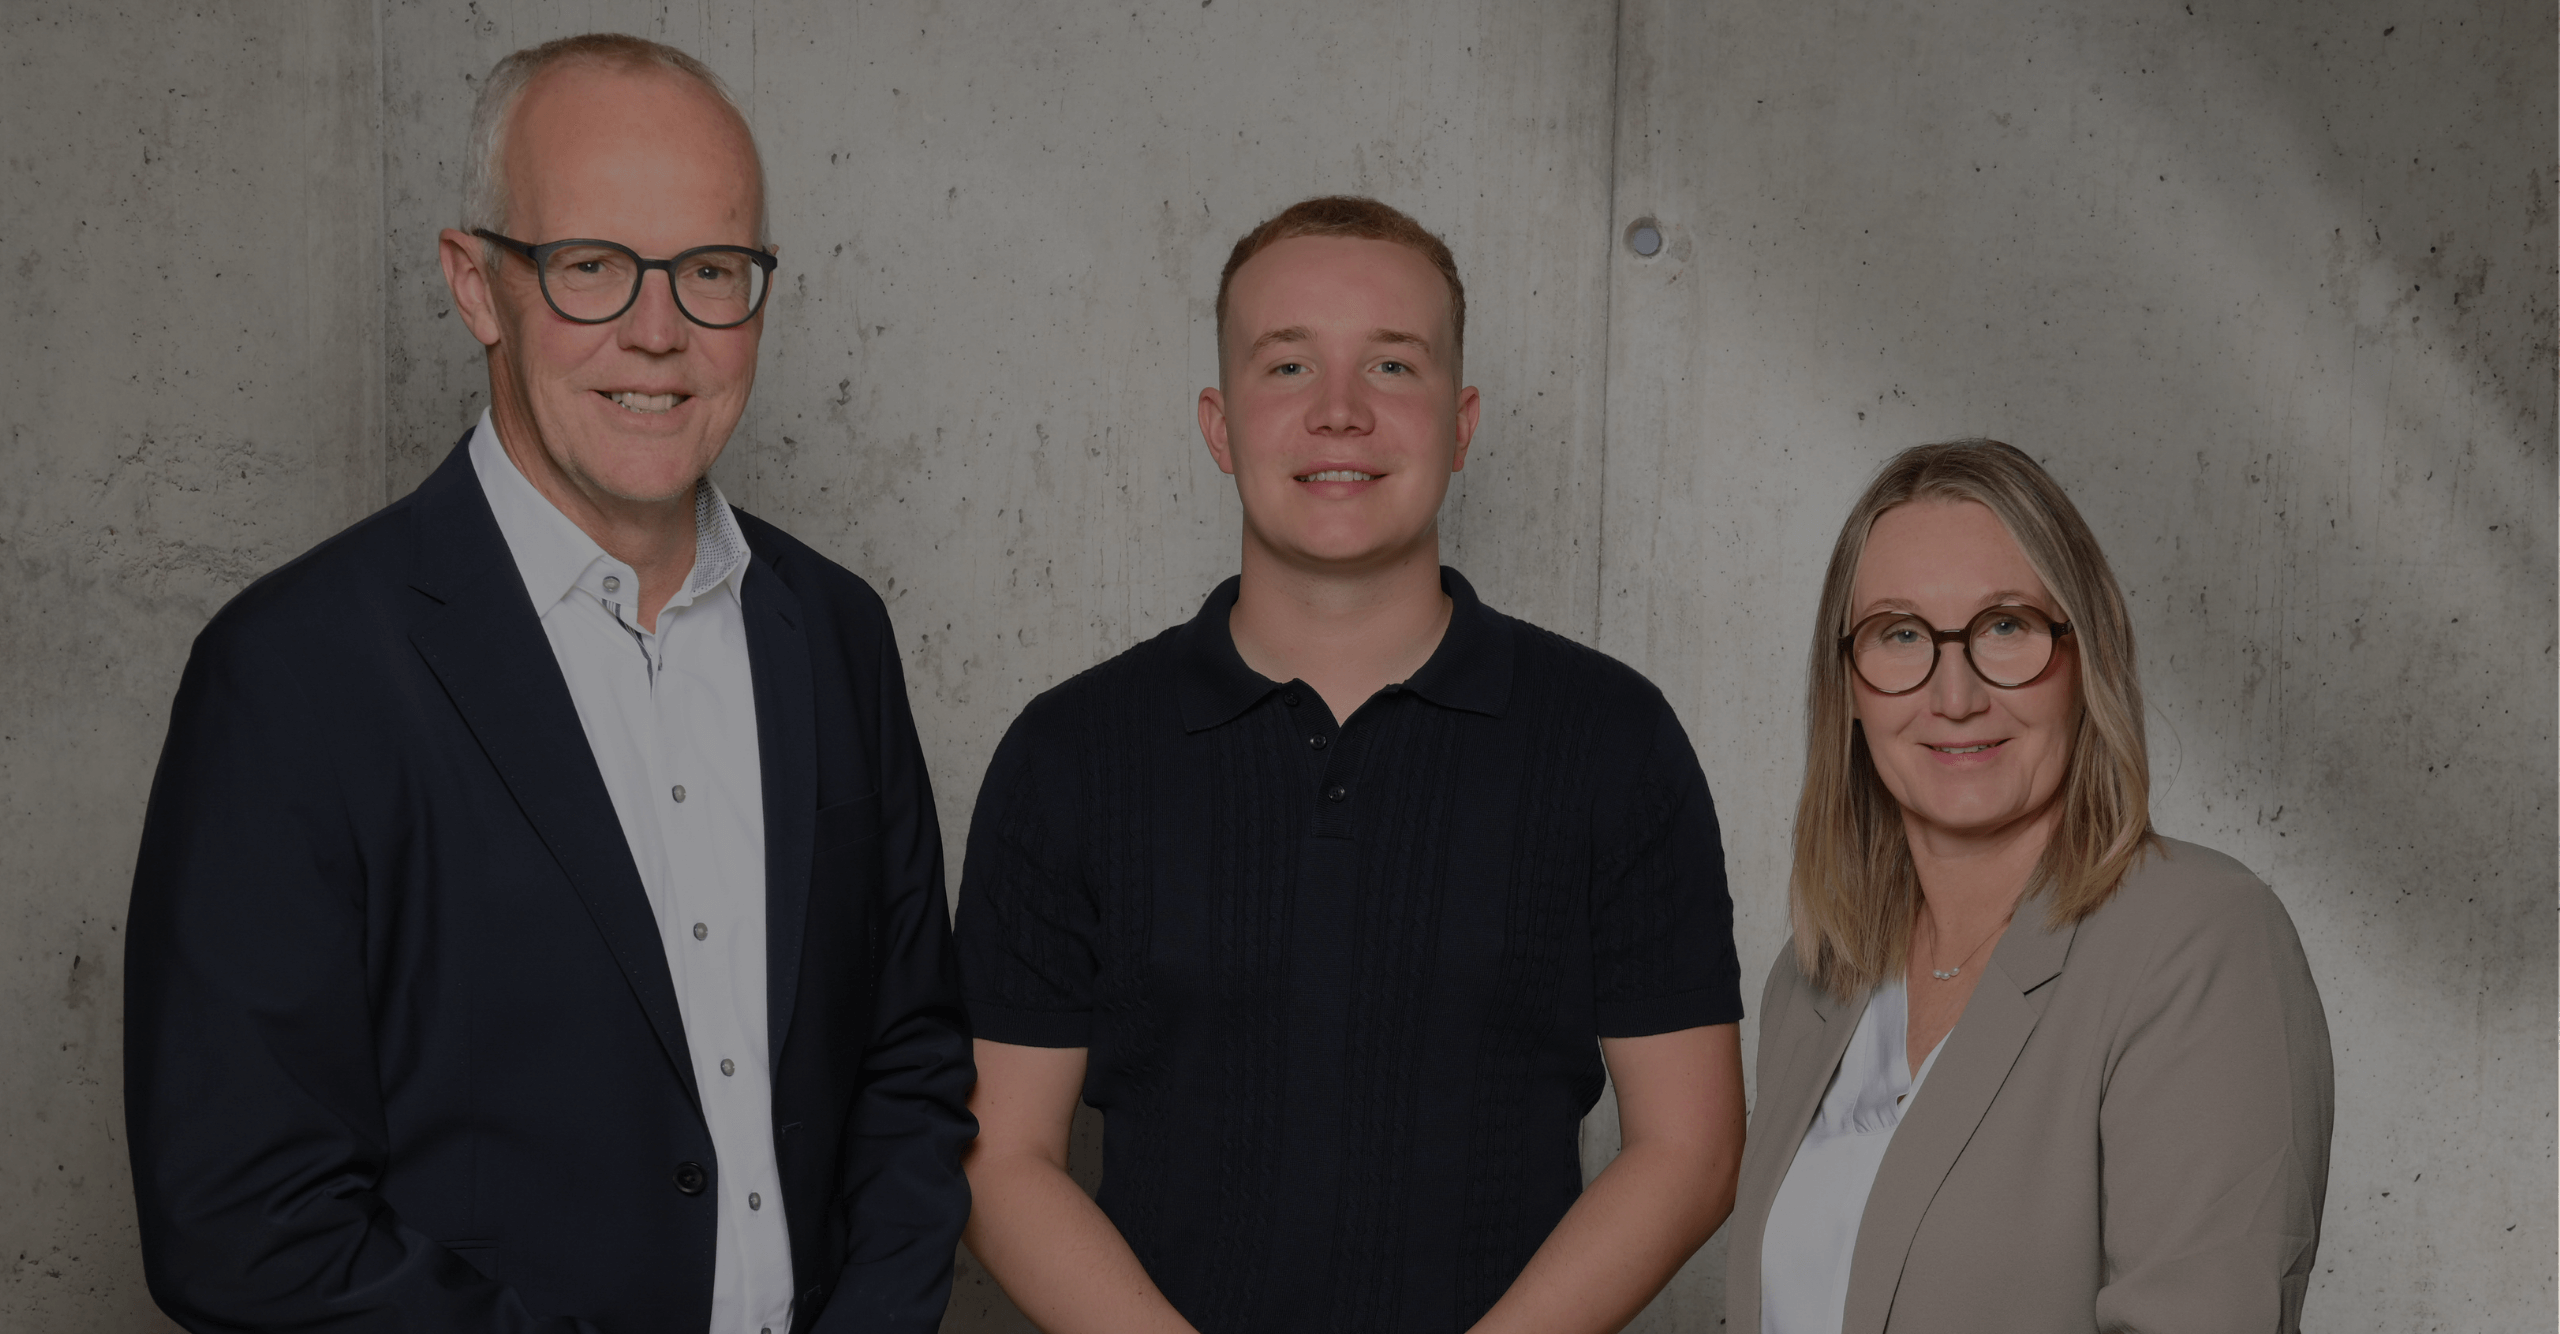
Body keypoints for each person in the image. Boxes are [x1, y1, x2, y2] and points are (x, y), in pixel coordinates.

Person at [123, 34, 973, 1334]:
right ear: (478, 286)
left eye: (709, 271)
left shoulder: (835, 631)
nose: (658, 330)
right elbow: (246, 1219)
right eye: (589, 267)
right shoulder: (291, 673)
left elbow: (908, 1068)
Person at [953, 195, 1747, 1334]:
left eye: (1390, 364)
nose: (1339, 412)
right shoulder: (1070, 752)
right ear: (1218, 424)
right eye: (1286, 366)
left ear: (1461, 421)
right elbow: (1000, 1152)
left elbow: (1692, 1145)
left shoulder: (1610, 739)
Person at [1726, 440, 2334, 1333]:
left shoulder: (2198, 941)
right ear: (1847, 685)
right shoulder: (1813, 984)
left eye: (2005, 626)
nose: (1956, 694)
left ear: (2086, 656)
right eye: (1900, 635)